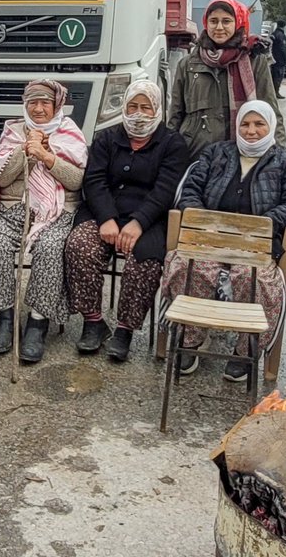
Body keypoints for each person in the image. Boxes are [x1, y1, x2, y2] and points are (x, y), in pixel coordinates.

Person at [159, 100, 286, 379]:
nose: (251, 131)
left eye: (259, 124)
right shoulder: (216, 153)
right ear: (237, 126)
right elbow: (190, 190)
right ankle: (189, 340)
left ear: (271, 126)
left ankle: (246, 348)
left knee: (255, 279)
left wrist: (255, 227)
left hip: (259, 247)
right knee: (185, 267)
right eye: (245, 124)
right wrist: (208, 223)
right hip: (209, 240)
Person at [65, 80, 189, 362]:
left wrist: (138, 223)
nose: (138, 113)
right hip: (103, 214)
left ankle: (124, 330)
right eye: (132, 106)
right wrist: (107, 218)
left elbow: (166, 189)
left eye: (146, 107)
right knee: (80, 245)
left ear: (157, 109)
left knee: (145, 259)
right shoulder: (107, 138)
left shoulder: (172, 143)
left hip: (150, 219)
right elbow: (94, 180)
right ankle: (93, 321)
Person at [0, 80, 88, 360]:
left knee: (51, 247)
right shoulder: (14, 131)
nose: (38, 109)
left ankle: (38, 324)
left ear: (57, 105)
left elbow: (77, 181)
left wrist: (48, 157)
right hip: (14, 207)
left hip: (57, 212)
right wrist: (24, 152)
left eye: (45, 103)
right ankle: (3, 319)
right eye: (32, 103)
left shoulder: (69, 133)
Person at [168, 0, 285, 159]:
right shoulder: (188, 64)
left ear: (237, 23)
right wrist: (169, 154)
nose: (219, 27)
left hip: (241, 157)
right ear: (206, 23)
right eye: (214, 21)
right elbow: (175, 114)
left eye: (226, 21)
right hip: (195, 155)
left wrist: (279, 157)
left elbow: (270, 111)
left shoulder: (254, 61)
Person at [270, 20, 286, 98]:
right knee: (278, 77)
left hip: (273, 58)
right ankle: (276, 92)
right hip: (280, 60)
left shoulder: (274, 34)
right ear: (284, 26)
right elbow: (282, 48)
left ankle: (273, 92)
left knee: (273, 76)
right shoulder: (281, 35)